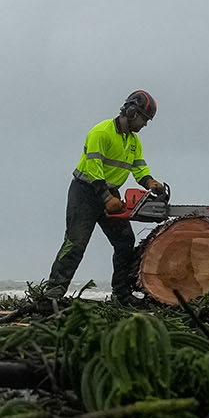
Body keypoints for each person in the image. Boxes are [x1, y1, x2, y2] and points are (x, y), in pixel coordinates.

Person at [41, 90, 170, 304]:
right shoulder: (101, 132)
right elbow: (94, 169)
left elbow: (139, 168)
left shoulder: (133, 142)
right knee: (76, 243)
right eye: (144, 119)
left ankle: (121, 294)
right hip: (85, 192)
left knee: (124, 241)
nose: (145, 125)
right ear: (130, 112)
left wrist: (150, 182)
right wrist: (106, 198)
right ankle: (52, 294)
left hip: (111, 193)